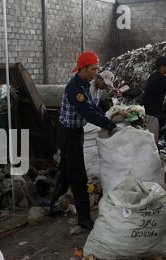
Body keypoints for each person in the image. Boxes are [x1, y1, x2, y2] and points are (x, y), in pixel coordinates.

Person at [50, 52, 117, 230]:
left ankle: (53, 205)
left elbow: (92, 108)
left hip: (74, 132)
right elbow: (87, 112)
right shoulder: (75, 88)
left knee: (65, 171)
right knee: (78, 177)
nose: (96, 72)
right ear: (84, 68)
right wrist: (109, 124)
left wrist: (105, 117)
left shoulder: (84, 84)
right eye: (94, 69)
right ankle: (84, 218)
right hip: (68, 135)